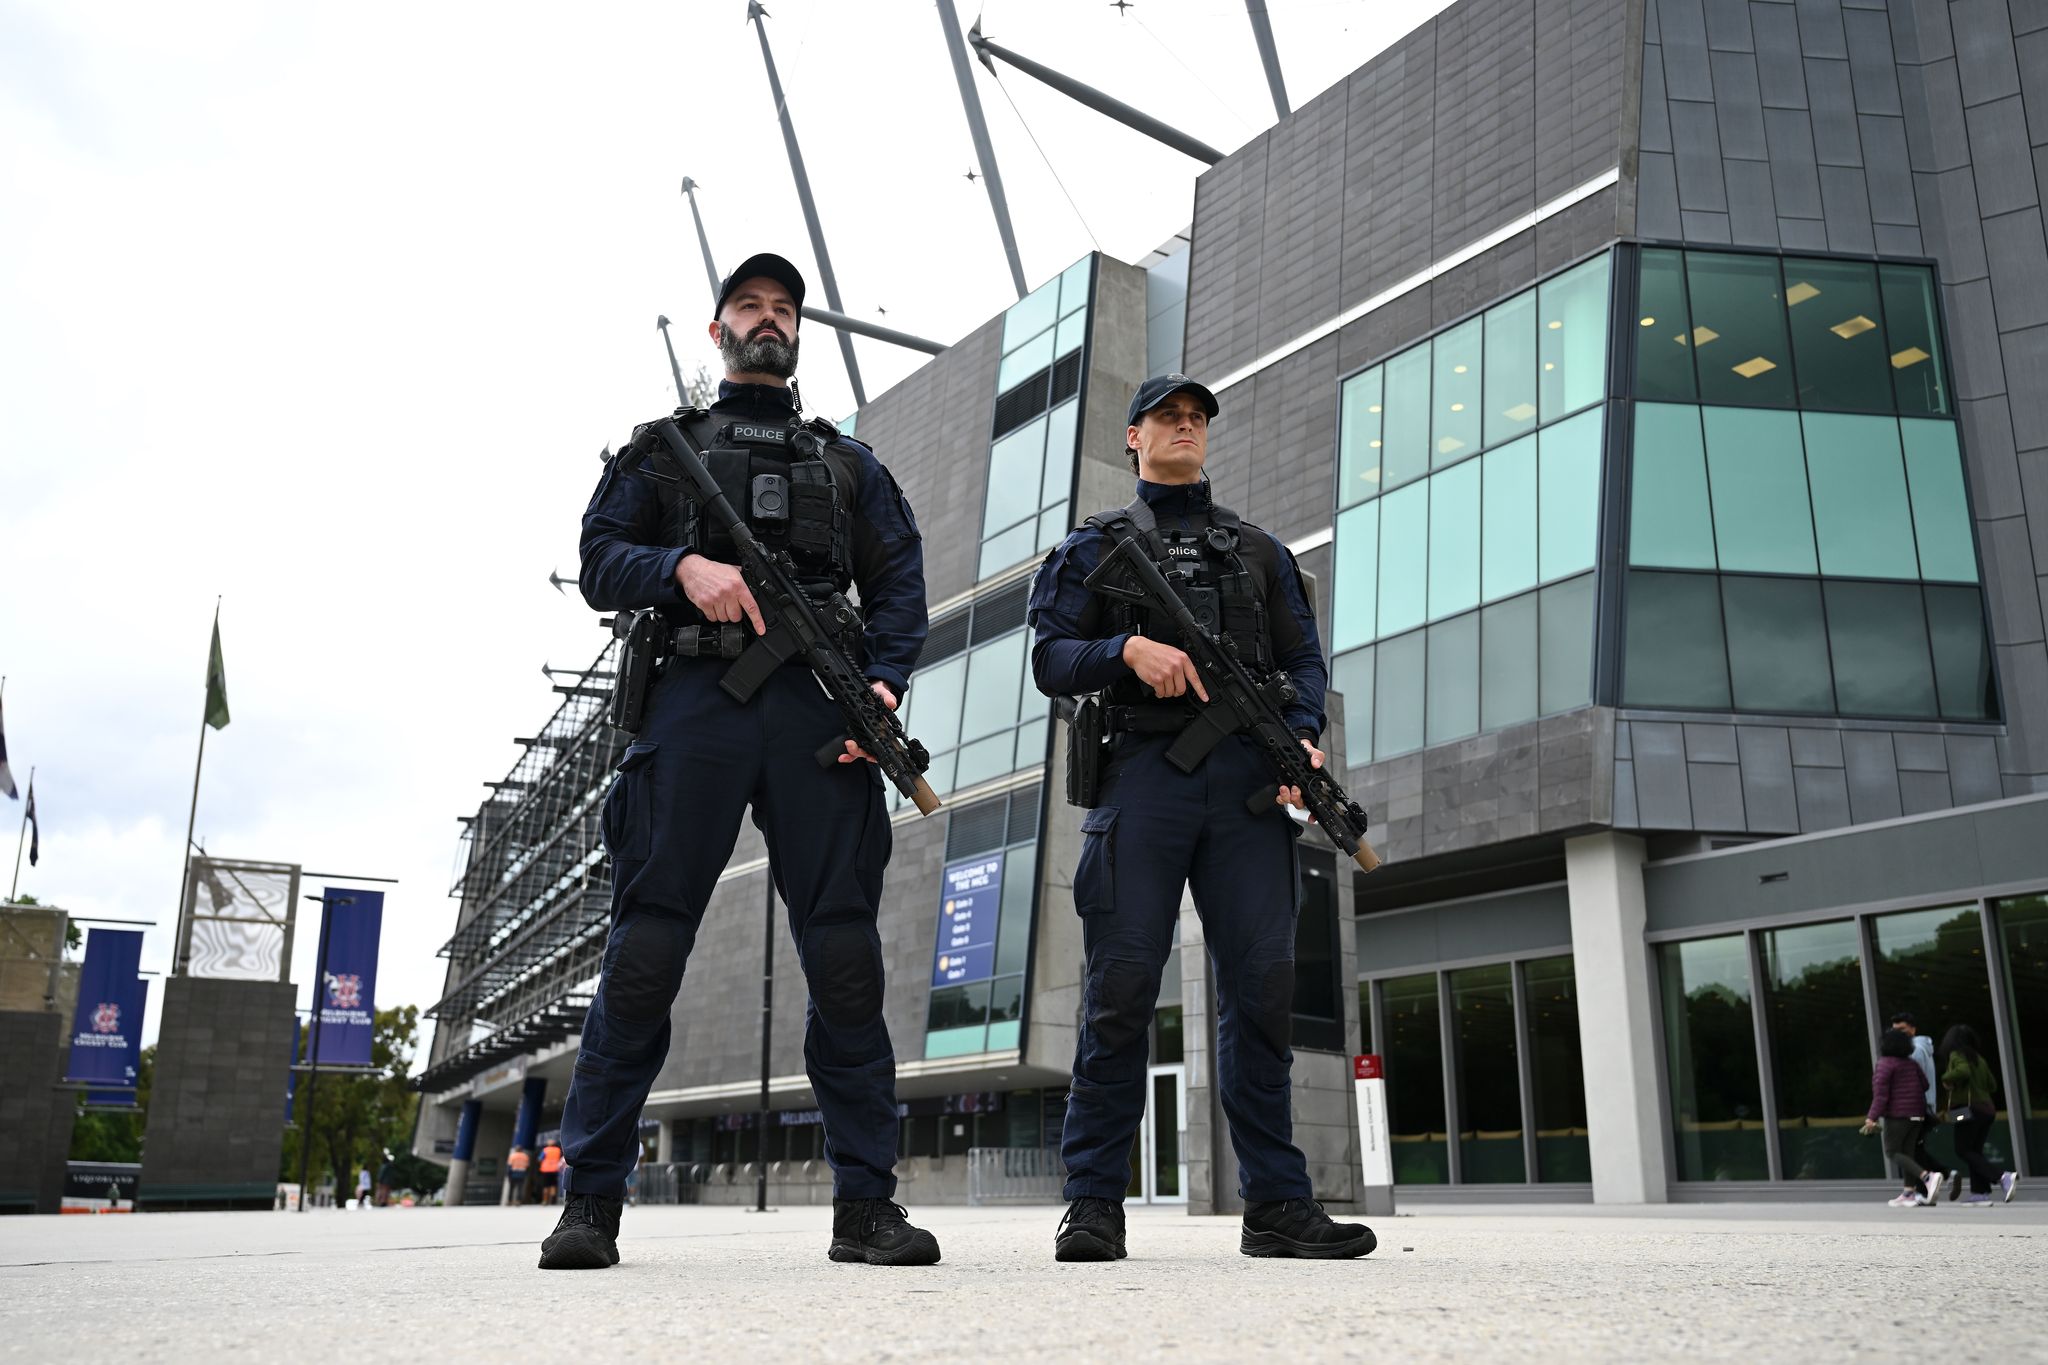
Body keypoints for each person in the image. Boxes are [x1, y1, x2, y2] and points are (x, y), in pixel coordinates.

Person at [542, 252, 936, 1272]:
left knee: (843, 958)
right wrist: (678, 566)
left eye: (784, 310)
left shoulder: (849, 464)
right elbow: (596, 559)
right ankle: (588, 1204)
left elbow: (898, 587)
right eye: (749, 306)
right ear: (718, 329)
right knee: (644, 953)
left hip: (816, 712)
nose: (768, 321)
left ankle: (865, 1208)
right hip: (694, 701)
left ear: (799, 334)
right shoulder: (661, 452)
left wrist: (884, 688)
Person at [1027, 373, 1375, 1262]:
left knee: (1261, 991)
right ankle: (1095, 1202)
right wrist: (1127, 650)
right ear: (1134, 437)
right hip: (1142, 776)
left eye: (1197, 419)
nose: (1185, 427)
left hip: (1249, 789)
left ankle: (1277, 1204)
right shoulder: (1095, 547)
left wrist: (1302, 740)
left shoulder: (1259, 551)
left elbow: (1303, 662)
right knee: (1122, 990)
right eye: (1167, 417)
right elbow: (1052, 659)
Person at [1938, 1025, 2019, 1205]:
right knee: (1974, 1152)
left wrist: (1947, 1079)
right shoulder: (1979, 1059)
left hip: (1967, 1111)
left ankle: (2002, 1177)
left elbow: (1963, 1071)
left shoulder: (1956, 1055)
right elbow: (1992, 1085)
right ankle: (1979, 1193)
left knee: (1963, 1150)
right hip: (1986, 1110)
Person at [1863, 1028, 1944, 1206]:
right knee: (1908, 1153)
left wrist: (1872, 1117)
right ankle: (1909, 1193)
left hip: (1898, 1116)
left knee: (1892, 1151)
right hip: (1918, 1115)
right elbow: (1925, 1084)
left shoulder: (1885, 1064)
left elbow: (1881, 1095)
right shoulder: (1910, 1063)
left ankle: (1927, 1177)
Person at [1888, 1011, 1941, 1197]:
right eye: (1895, 1030)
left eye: (1902, 1029)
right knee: (1913, 1150)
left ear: (1913, 1029)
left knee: (1906, 1150)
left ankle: (1925, 1184)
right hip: (1922, 1106)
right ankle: (1925, 1187)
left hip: (1916, 1108)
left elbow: (1915, 1083)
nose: (1899, 1034)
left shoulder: (1914, 1050)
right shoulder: (1919, 1047)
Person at [539, 1140, 564, 1206]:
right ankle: (552, 1201)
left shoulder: (545, 1150)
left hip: (546, 1170)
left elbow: (540, 1159)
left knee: (546, 1186)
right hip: (555, 1169)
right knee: (553, 1185)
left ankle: (545, 1201)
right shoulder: (558, 1150)